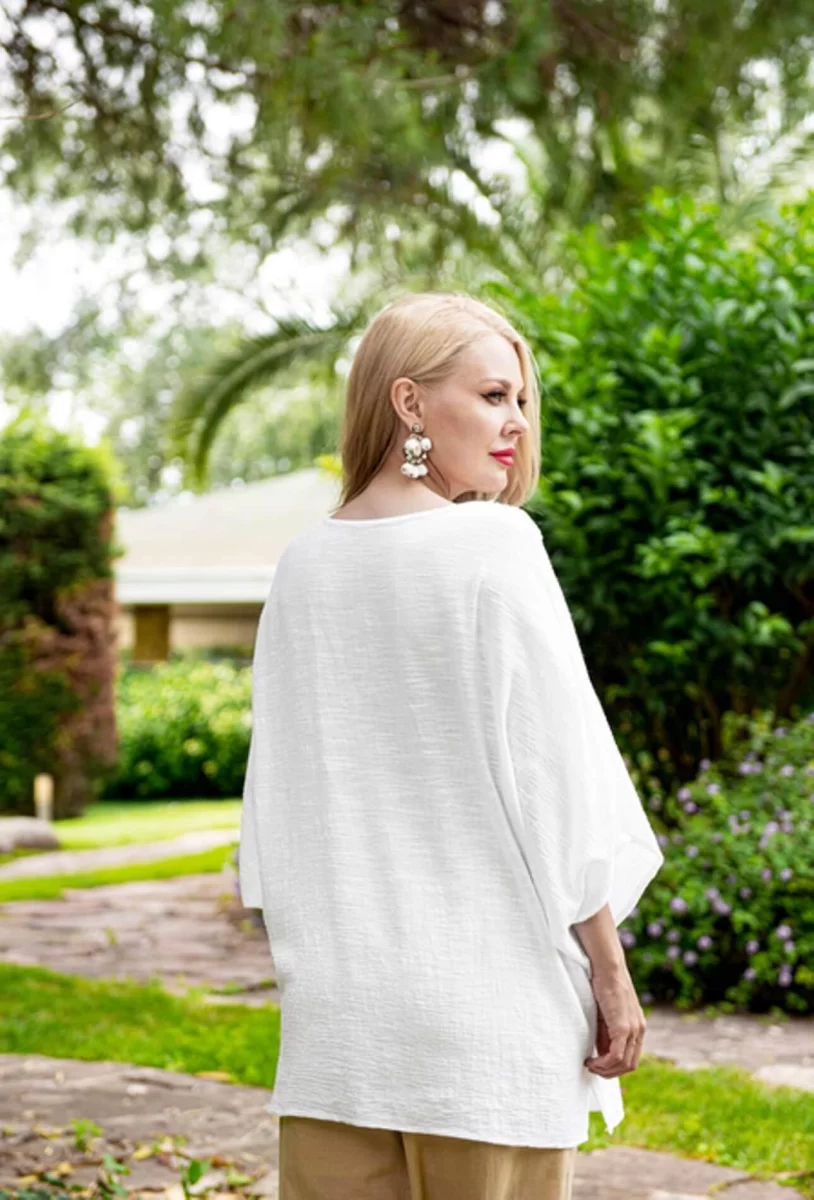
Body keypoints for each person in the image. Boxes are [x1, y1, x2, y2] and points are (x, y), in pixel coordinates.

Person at [239, 292, 665, 1200]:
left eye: (521, 401)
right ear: (410, 402)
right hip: (486, 1028)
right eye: (494, 395)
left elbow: (275, 811)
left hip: (339, 1031)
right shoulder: (494, 544)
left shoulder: (301, 566)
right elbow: (558, 786)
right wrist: (611, 975)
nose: (517, 424)